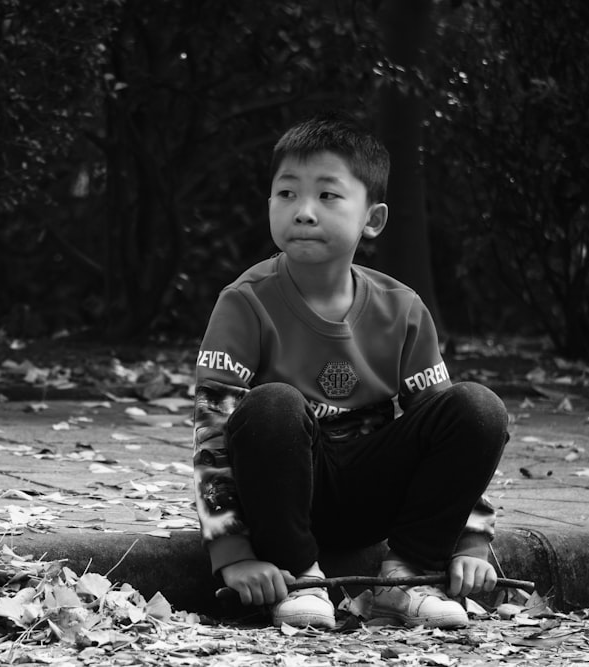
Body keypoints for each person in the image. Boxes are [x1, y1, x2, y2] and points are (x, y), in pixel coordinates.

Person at [191, 111, 508, 631]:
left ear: (373, 218)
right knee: (273, 403)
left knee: (477, 407)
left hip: (370, 495)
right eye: (286, 193)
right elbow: (213, 435)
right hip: (281, 494)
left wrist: (470, 541)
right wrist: (233, 553)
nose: (304, 212)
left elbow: (452, 431)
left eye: (328, 196)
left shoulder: (400, 308)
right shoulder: (244, 303)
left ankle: (407, 578)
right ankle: (301, 576)